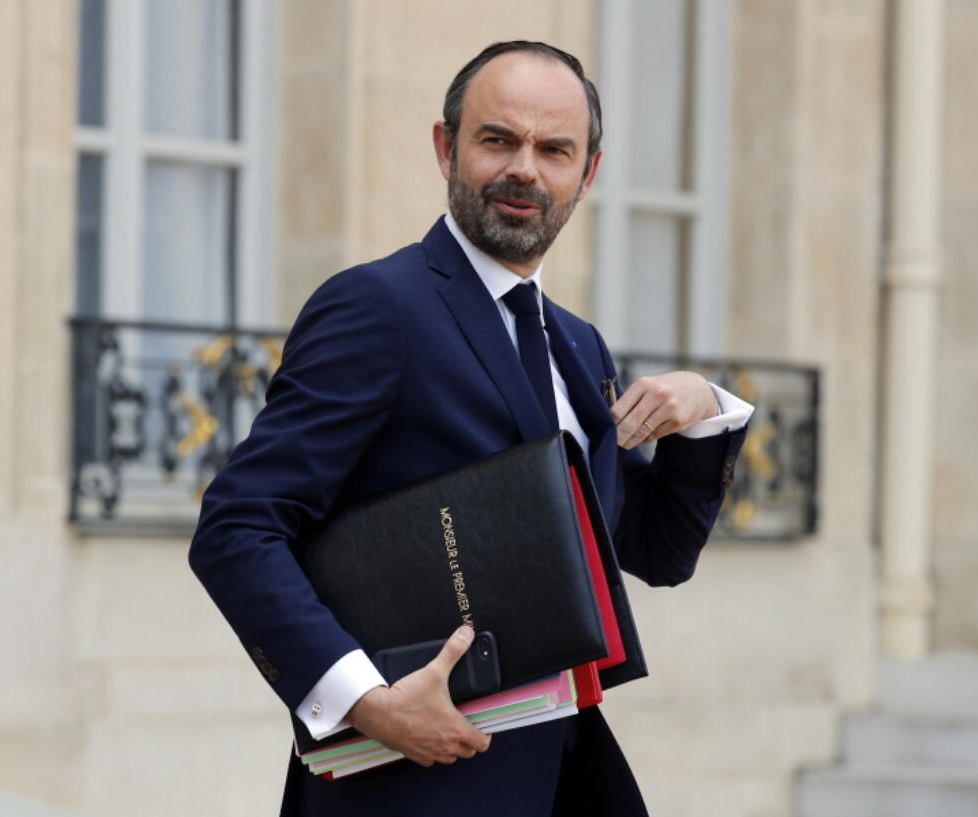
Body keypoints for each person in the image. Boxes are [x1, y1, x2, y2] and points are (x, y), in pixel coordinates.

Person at [190, 40, 752, 817]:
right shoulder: (376, 306)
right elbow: (237, 525)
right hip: (410, 785)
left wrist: (706, 410)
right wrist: (364, 699)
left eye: (554, 148)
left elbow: (653, 552)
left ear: (587, 173)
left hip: (558, 771)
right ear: (446, 147)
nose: (525, 168)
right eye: (498, 139)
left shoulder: (579, 344)